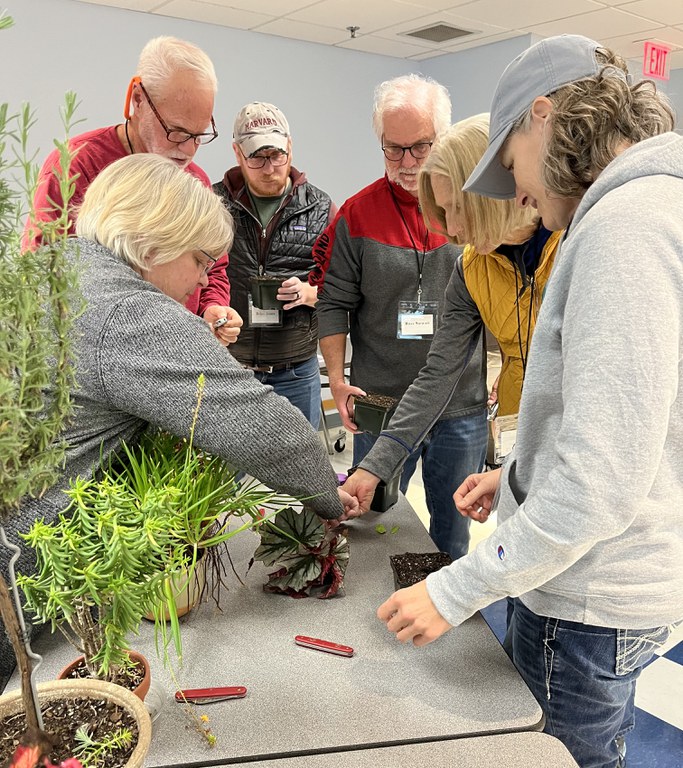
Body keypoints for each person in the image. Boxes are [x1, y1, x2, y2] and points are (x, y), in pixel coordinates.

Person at [376, 35, 683, 768]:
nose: (517, 193)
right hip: (622, 574)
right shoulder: (656, 206)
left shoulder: (622, 227)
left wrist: (457, 589)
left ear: (540, 116)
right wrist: (516, 480)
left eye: (510, 165)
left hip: (584, 595)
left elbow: (595, 483)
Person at [1, 153, 357, 688]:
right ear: (151, 247)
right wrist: (330, 497)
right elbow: (267, 429)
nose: (202, 282)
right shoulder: (130, 312)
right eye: (200, 260)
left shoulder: (42, 270)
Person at [341, 114, 560, 517]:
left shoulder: (575, 245)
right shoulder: (471, 266)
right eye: (443, 211)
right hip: (521, 435)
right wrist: (376, 464)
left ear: (498, 187)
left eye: (459, 208)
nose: (453, 230)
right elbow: (439, 373)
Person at [313, 74, 488, 560]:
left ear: (445, 139)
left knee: (451, 535)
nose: (408, 163)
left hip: (460, 404)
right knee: (373, 524)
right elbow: (332, 303)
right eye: (394, 150)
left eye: (420, 147)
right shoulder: (356, 214)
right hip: (381, 402)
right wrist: (335, 378)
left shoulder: (471, 213)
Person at [24, 35, 241, 345]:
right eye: (177, 132)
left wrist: (212, 306)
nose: (189, 150)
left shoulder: (195, 181)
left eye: (199, 135)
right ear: (137, 99)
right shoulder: (76, 166)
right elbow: (44, 273)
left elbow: (214, 266)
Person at [212, 102, 334, 426]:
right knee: (228, 475)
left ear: (290, 148)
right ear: (238, 153)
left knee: (300, 473)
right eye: (257, 157)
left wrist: (311, 292)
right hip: (231, 367)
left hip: (296, 371)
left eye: (277, 155)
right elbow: (196, 277)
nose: (269, 168)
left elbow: (345, 283)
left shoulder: (321, 208)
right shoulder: (212, 205)